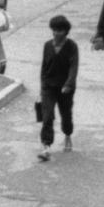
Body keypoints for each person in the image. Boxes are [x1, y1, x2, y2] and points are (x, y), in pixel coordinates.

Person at [37, 14, 78, 161]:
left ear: (65, 31)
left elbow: (74, 67)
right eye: (53, 30)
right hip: (49, 86)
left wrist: (68, 84)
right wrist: (41, 89)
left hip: (65, 88)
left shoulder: (72, 46)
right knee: (47, 116)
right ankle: (46, 146)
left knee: (65, 115)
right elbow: (44, 67)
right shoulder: (47, 45)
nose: (55, 33)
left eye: (59, 30)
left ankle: (67, 134)